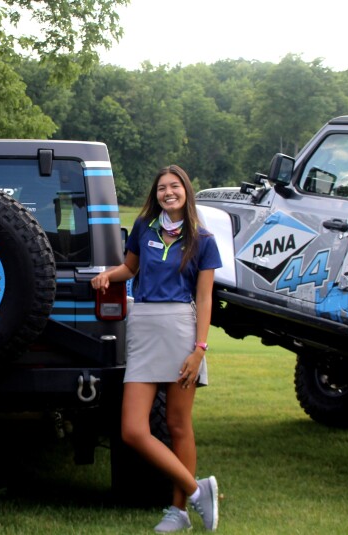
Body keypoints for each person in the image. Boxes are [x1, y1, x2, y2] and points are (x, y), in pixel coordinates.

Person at [91, 165, 222, 532]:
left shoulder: (203, 239)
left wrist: (200, 349)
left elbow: (205, 296)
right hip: (144, 327)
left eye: (175, 186)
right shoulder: (143, 227)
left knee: (178, 425)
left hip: (181, 330)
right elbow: (129, 269)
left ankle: (179, 511)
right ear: (156, 194)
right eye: (162, 187)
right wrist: (107, 276)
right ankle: (199, 491)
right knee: (133, 429)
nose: (168, 192)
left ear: (186, 191)